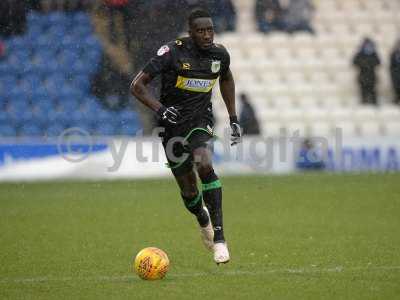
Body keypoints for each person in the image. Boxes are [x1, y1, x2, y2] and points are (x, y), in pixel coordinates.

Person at [130, 9, 241, 264]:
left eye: (210, 30)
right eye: (200, 31)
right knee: (189, 191)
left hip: (201, 121)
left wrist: (233, 118)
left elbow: (226, 79)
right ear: (190, 32)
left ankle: (221, 239)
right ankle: (202, 218)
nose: (207, 35)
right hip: (172, 127)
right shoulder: (172, 52)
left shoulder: (219, 54)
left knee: (205, 162)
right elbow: (137, 85)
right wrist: (160, 108)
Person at [353, 37, 381, 105]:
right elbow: (354, 62)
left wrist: (370, 64)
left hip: (372, 76)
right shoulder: (360, 53)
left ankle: (374, 103)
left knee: (373, 91)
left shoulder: (374, 53)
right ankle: (364, 103)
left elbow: (378, 62)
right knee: (363, 92)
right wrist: (364, 64)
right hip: (363, 76)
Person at [390, 39, 400, 105]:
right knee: (397, 87)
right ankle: (397, 99)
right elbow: (391, 65)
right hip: (396, 73)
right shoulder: (394, 53)